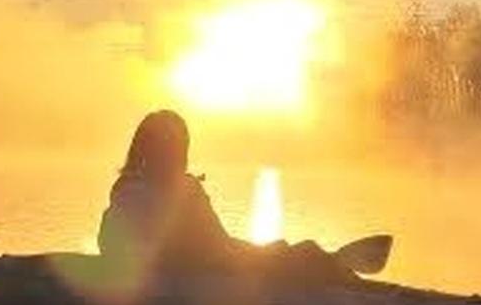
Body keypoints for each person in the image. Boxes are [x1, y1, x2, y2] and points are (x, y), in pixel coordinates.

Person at [97, 109, 348, 286]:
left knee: (293, 253)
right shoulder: (138, 191)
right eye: (169, 147)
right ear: (147, 149)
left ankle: (334, 271)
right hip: (195, 269)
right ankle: (330, 268)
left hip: (206, 262)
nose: (174, 155)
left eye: (176, 148)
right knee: (298, 254)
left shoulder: (165, 187)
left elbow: (217, 242)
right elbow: (208, 246)